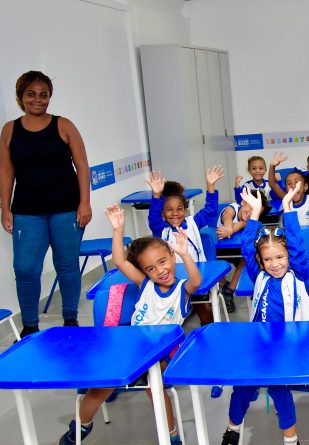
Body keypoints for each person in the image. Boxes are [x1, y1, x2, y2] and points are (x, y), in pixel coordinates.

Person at [57, 204, 200, 445]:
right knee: (99, 387)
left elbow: (196, 282)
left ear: (172, 256)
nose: (160, 271)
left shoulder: (181, 290)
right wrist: (118, 229)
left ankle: (172, 435)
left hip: (159, 352)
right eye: (151, 268)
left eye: (163, 262)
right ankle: (82, 426)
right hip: (130, 347)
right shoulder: (146, 285)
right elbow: (120, 261)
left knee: (156, 389)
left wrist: (185, 254)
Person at [220, 185, 309, 445]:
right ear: (261, 262)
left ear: (288, 257)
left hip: (288, 345)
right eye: (268, 259)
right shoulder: (260, 277)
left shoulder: (298, 275)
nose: (275, 264)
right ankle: (232, 430)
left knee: (280, 391)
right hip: (259, 345)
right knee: (242, 387)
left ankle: (291, 440)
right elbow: (247, 249)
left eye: (280, 257)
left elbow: (297, 245)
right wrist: (254, 214)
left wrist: (288, 209)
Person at [0, 70, 91, 337]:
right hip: (27, 211)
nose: (38, 100)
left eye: (44, 95)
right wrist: (5, 208)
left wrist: (85, 203)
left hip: (66, 209)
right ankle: (30, 326)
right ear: (21, 97)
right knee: (25, 269)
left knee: (67, 265)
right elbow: (6, 172)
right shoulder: (9, 130)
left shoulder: (64, 126)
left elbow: (82, 166)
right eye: (31, 94)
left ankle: (70, 320)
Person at [147, 167, 222, 325]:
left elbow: (210, 211)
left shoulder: (193, 222)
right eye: (169, 210)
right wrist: (156, 195)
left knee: (205, 313)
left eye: (179, 209)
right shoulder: (160, 229)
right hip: (171, 279)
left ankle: (209, 333)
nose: (175, 213)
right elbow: (153, 217)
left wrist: (210, 186)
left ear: (185, 210)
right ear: (162, 212)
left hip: (195, 276)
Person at [215, 190, 270, 313]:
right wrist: (236, 226)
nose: (251, 213)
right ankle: (224, 285)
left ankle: (229, 290)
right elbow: (228, 224)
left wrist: (241, 224)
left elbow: (233, 230)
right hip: (219, 251)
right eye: (250, 207)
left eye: (255, 211)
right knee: (209, 263)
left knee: (248, 258)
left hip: (238, 250)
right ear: (243, 202)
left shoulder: (251, 220)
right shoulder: (232, 208)